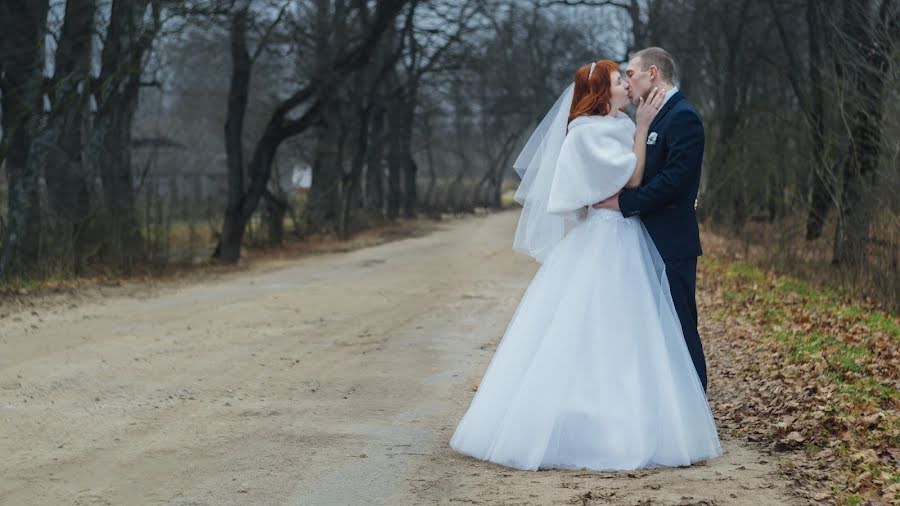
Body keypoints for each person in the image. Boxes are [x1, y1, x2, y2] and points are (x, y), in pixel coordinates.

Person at [448, 58, 722, 472]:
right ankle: (584, 423)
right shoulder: (585, 133)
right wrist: (644, 128)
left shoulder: (620, 125)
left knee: (634, 330)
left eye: (626, 78)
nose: (626, 87)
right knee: (591, 327)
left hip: (629, 233)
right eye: (618, 81)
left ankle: (641, 415)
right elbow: (630, 178)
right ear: (601, 92)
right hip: (605, 235)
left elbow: (648, 174)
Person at [592, 47, 708, 392]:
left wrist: (623, 202)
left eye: (631, 73)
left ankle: (695, 404)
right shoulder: (649, 116)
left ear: (652, 73)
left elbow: (675, 182)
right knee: (650, 329)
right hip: (642, 241)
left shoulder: (683, 116)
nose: (627, 81)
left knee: (680, 324)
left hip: (671, 241)